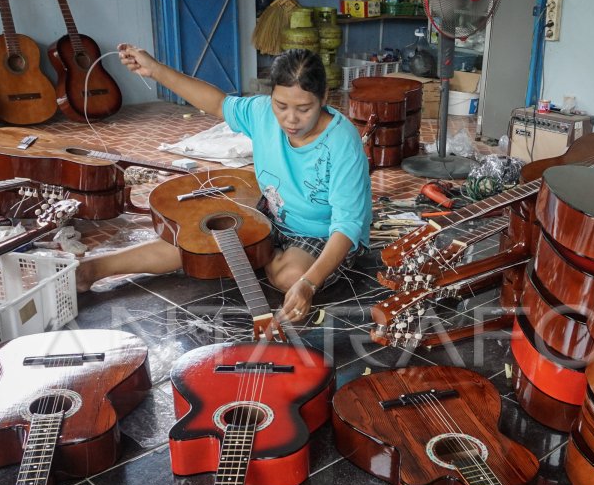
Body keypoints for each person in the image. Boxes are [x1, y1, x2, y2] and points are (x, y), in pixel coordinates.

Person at [76, 46, 372, 324]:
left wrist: (308, 283)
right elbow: (217, 102)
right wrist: (155, 70)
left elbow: (347, 225)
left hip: (320, 232)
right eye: (281, 105)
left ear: (324, 99)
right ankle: (95, 269)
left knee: (291, 278)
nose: (290, 119)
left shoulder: (342, 142)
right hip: (272, 213)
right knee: (196, 247)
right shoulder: (261, 113)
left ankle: (254, 254)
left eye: (304, 109)